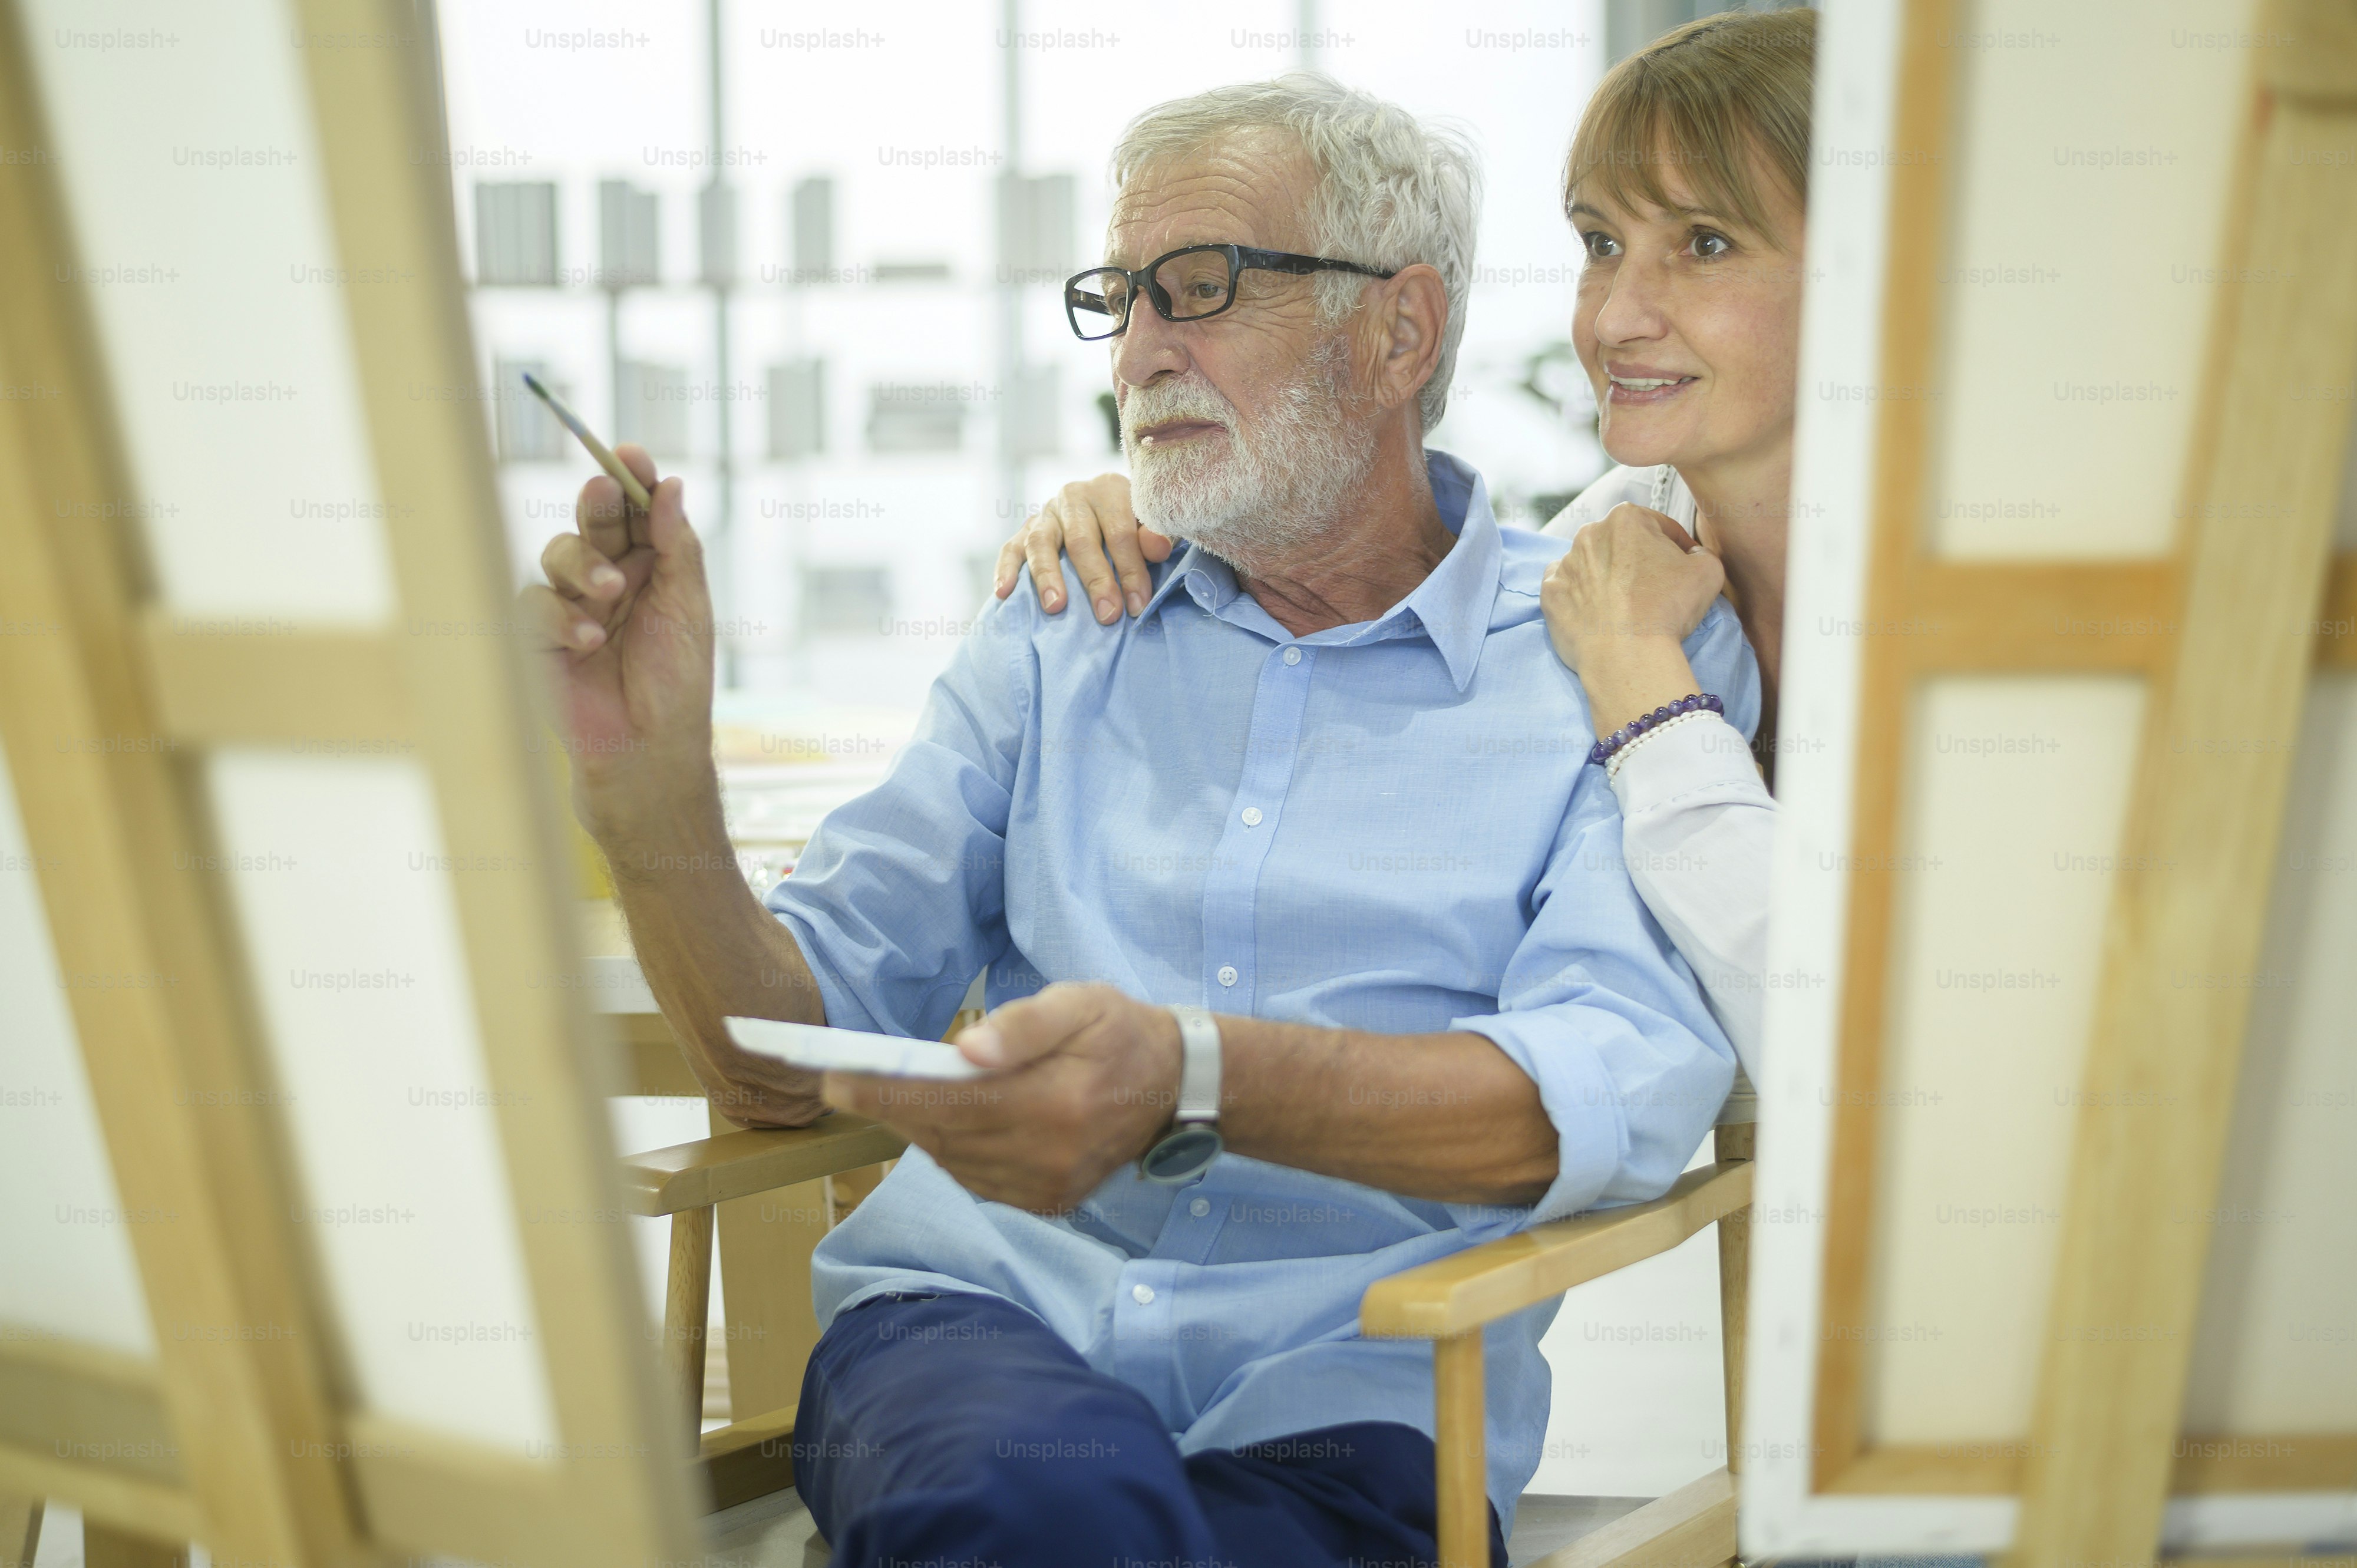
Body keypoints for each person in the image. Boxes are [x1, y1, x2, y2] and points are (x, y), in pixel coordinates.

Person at [523, 75, 1754, 1568]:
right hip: (975, 1334)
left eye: (1203, 288)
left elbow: (1598, 1090)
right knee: (1035, 1515)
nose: (1140, 350)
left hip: (1351, 1393)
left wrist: (1197, 1074)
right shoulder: (1059, 621)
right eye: (1119, 297)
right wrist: (655, 811)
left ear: (1398, 330)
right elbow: (777, 1054)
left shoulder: (1607, 645)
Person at [993, 9, 1810, 1082]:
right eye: (1602, 245)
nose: (1614, 320)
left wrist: (1645, 688)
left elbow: (1853, 1050)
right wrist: (1164, 508)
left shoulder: (1973, 605)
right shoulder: (1598, 556)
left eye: (1705, 245)